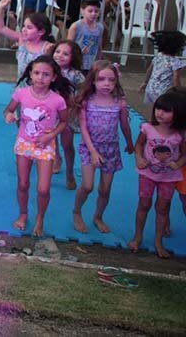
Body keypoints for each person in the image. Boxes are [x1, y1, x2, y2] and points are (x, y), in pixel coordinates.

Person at [4, 56, 72, 236]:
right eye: (36, 73)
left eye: (46, 74)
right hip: (24, 143)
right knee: (23, 183)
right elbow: (8, 110)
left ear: (54, 77)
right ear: (30, 74)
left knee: (43, 188)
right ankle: (23, 214)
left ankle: (40, 217)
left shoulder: (58, 100)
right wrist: (9, 116)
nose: (40, 78)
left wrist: (51, 135)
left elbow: (64, 122)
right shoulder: (21, 93)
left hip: (45, 146)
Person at [71, 61, 133, 235]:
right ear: (93, 81)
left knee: (105, 189)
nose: (107, 84)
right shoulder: (86, 101)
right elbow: (83, 128)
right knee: (88, 185)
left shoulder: (119, 102)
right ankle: (76, 211)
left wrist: (129, 142)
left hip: (111, 149)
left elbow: (124, 125)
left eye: (111, 80)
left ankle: (98, 216)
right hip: (90, 147)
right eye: (101, 79)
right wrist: (92, 151)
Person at [129, 89, 186, 258]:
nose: (160, 113)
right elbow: (139, 145)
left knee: (162, 208)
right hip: (147, 174)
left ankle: (158, 241)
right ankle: (137, 237)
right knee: (144, 204)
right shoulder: (147, 128)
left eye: (166, 110)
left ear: (178, 113)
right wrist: (138, 158)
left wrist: (178, 164)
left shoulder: (180, 135)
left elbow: (184, 154)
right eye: (158, 108)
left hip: (168, 177)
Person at [52, 40, 85, 190]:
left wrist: (75, 101)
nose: (60, 56)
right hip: (50, 113)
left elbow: (84, 89)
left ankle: (70, 172)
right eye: (58, 52)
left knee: (67, 144)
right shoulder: (49, 69)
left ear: (73, 57)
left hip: (67, 114)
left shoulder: (75, 74)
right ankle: (56, 158)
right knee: (51, 141)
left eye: (65, 54)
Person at [0, 0, 54, 79]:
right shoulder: (22, 40)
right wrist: (0, 8)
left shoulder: (48, 47)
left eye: (29, 28)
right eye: (24, 26)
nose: (24, 30)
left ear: (41, 32)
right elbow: (0, 27)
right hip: (22, 86)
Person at [140, 31, 186, 105]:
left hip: (151, 89)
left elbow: (149, 70)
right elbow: (176, 78)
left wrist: (145, 82)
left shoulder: (158, 56)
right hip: (163, 93)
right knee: (164, 109)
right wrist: (178, 92)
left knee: (155, 109)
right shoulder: (175, 62)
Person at [68, 0, 104, 71]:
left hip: (92, 64)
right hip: (78, 63)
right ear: (82, 11)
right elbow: (68, 46)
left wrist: (99, 61)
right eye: (90, 11)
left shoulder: (100, 27)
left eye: (96, 11)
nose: (93, 14)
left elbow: (99, 46)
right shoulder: (76, 26)